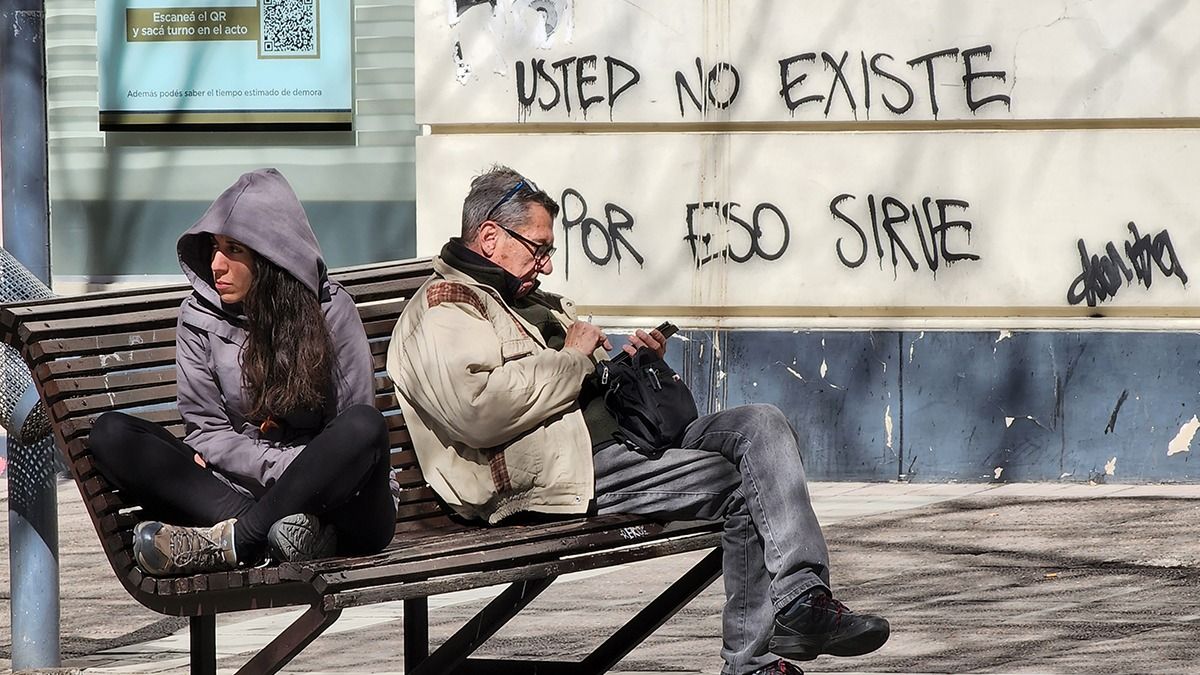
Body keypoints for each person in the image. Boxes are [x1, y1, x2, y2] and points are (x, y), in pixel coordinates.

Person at [386, 165, 890, 675]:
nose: (545, 264)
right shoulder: (447, 307)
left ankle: (802, 599)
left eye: (548, 251)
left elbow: (571, 384)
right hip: (561, 470)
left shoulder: (525, 300)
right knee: (744, 487)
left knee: (761, 422)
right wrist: (575, 358)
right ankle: (753, 661)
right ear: (490, 238)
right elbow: (480, 410)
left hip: (626, 442)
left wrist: (634, 364)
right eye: (538, 248)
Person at [89, 168, 397, 577]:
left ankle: (238, 541)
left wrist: (304, 471)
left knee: (364, 426)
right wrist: (281, 470)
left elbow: (347, 436)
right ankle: (277, 532)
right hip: (236, 491)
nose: (216, 264)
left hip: (341, 505)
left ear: (272, 258)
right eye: (215, 247)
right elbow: (207, 432)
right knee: (112, 435)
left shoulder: (332, 311)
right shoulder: (197, 317)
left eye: (234, 250)